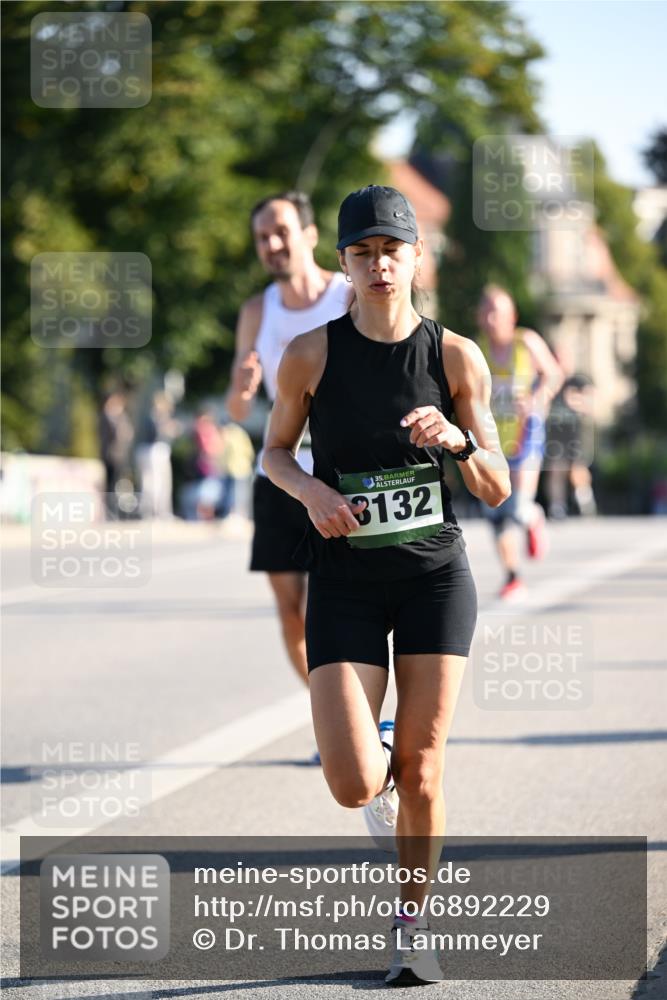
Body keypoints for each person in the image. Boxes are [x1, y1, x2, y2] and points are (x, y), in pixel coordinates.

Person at [263, 185, 510, 985]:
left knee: (424, 767)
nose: (378, 266)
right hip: (345, 580)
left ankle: (413, 925)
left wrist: (459, 440)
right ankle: (382, 752)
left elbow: (497, 485)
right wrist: (312, 493)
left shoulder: (454, 356)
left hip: (433, 579)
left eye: (390, 251)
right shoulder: (311, 354)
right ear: (342, 262)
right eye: (362, 253)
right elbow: (273, 452)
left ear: (415, 257)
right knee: (352, 783)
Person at [226, 191, 350, 707]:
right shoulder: (258, 310)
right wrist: (243, 386)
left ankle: (357, 715)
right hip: (279, 475)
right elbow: (237, 409)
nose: (272, 244)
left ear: (310, 235)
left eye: (281, 232)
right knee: (291, 613)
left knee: (337, 608)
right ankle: (338, 717)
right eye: (262, 237)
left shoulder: (346, 296)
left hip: (341, 474)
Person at [476, 285, 563, 598]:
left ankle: (533, 516)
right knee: (495, 513)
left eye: (497, 312)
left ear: (512, 316)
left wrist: (537, 399)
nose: (491, 319)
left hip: (526, 434)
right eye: (486, 312)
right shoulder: (476, 349)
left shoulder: (526, 342)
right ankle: (512, 576)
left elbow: (554, 375)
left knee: (517, 507)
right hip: (491, 439)